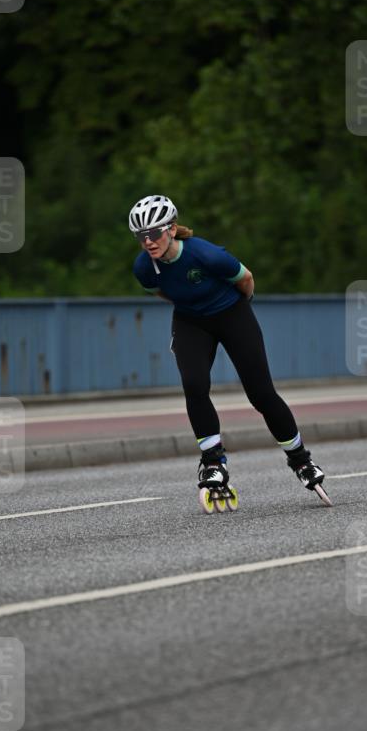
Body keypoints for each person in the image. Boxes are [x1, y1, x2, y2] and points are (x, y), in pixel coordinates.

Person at [129, 194, 328, 501]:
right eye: (141, 236)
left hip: (232, 314)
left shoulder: (206, 255)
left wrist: (238, 312)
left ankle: (301, 460)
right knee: (194, 385)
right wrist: (191, 309)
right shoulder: (144, 267)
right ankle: (212, 463)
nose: (148, 242)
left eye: (154, 233)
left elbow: (246, 279)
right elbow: (163, 292)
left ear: (171, 228)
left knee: (261, 394)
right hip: (190, 321)